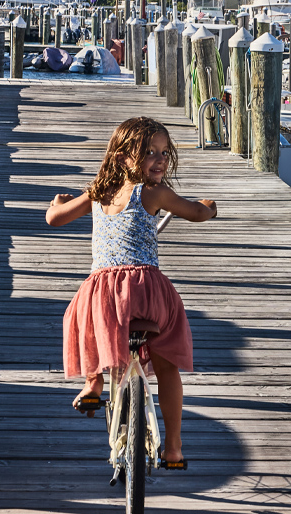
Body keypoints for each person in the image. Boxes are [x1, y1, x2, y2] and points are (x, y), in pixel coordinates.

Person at [45, 116, 217, 467]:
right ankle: (174, 447)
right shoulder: (154, 193)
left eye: (165, 152)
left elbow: (56, 219)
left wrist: (54, 203)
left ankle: (93, 383)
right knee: (168, 366)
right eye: (151, 152)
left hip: (103, 294)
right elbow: (196, 213)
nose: (160, 159)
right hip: (146, 292)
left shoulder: (98, 191)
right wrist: (210, 208)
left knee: (83, 318)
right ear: (124, 157)